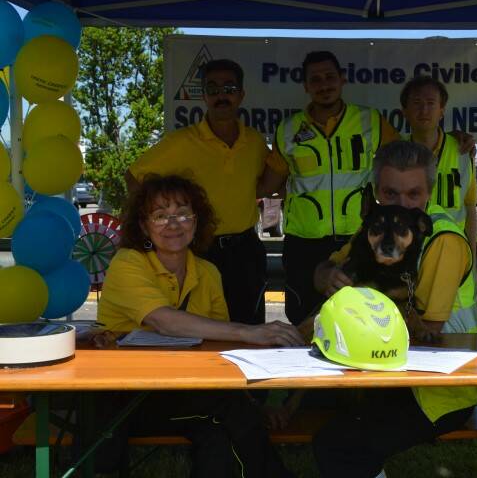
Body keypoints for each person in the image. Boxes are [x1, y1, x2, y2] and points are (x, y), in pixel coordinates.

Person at [96, 174, 302, 477]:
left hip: (186, 393)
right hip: (127, 399)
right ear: (143, 226)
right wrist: (250, 331)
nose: (173, 223)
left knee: (218, 434)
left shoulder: (208, 272)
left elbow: (220, 351)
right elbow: (164, 321)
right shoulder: (128, 262)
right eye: (160, 215)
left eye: (183, 213)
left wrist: (255, 403)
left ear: (197, 220)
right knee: (228, 411)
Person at [311, 141, 477, 478]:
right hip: (393, 372)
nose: (401, 205)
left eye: (413, 195)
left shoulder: (443, 239)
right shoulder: (378, 225)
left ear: (429, 193)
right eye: (391, 194)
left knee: (338, 444)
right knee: (319, 411)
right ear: (377, 192)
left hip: (440, 388)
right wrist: (328, 276)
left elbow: (426, 333)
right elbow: (325, 270)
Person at [256, 50, 401, 326]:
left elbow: (405, 162)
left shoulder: (370, 121)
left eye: (330, 77)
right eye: (316, 79)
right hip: (304, 245)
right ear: (306, 86)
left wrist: (456, 140)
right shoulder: (288, 130)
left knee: (359, 323)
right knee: (303, 322)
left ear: (343, 79)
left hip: (356, 240)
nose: (324, 85)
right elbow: (267, 185)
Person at [126, 59, 268, 325]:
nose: (220, 95)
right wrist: (154, 226)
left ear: (241, 94)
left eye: (228, 87)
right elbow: (134, 177)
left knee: (250, 330)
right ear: (203, 96)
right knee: (198, 331)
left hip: (246, 251)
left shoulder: (256, 142)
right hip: (200, 250)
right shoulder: (180, 142)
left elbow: (262, 185)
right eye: (212, 89)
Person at [401, 75, 477, 252]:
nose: (424, 110)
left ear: (442, 110)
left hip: (452, 252)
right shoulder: (395, 153)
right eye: (417, 103)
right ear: (404, 111)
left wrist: (472, 260)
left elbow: (470, 208)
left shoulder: (464, 152)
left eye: (430, 103)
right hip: (408, 253)